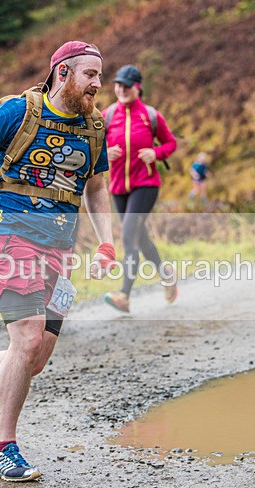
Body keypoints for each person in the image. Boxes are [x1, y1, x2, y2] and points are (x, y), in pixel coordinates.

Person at [0, 41, 116, 482]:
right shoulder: (17, 111)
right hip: (10, 237)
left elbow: (96, 187)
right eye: (91, 75)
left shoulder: (94, 126)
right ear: (63, 72)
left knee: (33, 357)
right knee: (27, 337)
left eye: (100, 76)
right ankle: (2, 450)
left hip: (60, 249)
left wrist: (106, 243)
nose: (98, 84)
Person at [102, 65, 178, 314]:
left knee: (128, 236)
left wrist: (154, 153)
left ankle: (124, 294)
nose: (121, 89)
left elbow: (170, 143)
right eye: (118, 85)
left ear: (138, 87)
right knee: (140, 238)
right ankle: (167, 275)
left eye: (126, 85)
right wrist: (105, 153)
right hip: (117, 188)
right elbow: (93, 148)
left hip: (145, 185)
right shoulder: (108, 116)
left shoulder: (151, 116)